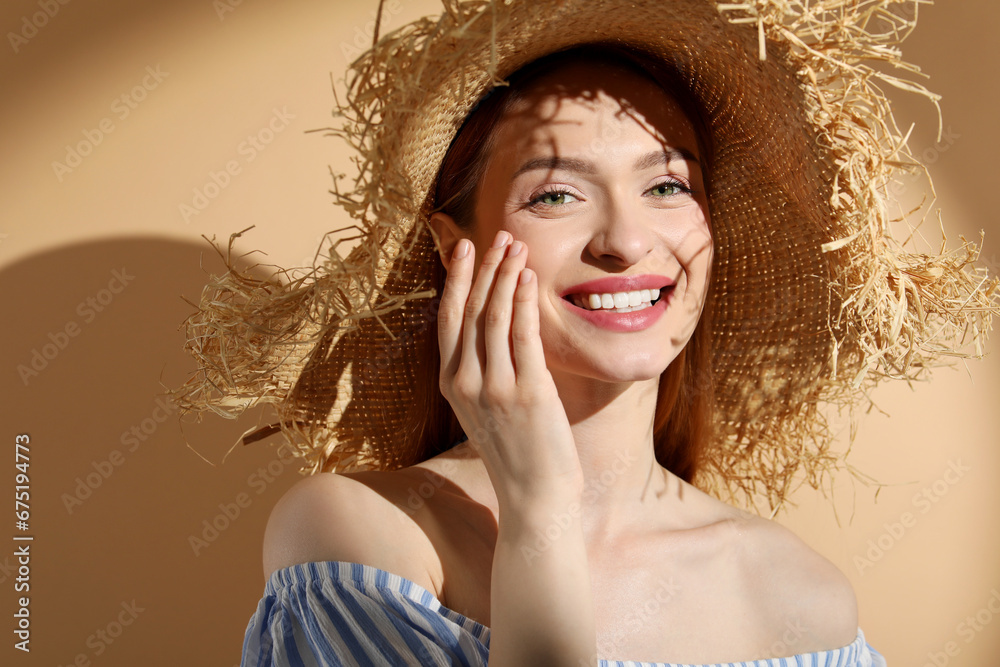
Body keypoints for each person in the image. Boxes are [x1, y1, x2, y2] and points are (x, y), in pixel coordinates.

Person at [170, 0, 997, 665]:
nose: (626, 242)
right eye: (556, 196)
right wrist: (539, 511)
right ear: (456, 253)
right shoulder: (356, 537)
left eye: (668, 186)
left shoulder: (799, 598)